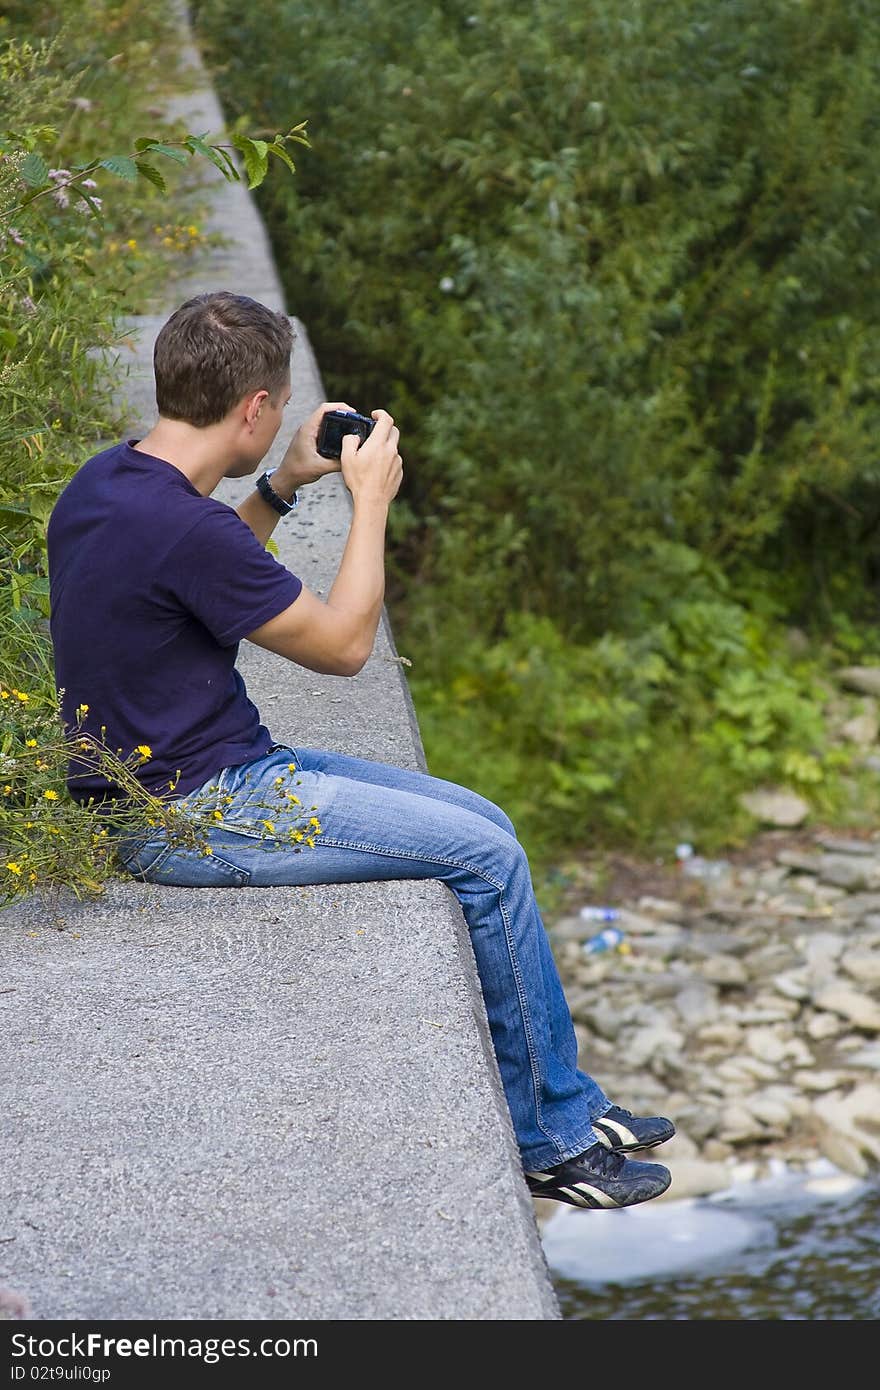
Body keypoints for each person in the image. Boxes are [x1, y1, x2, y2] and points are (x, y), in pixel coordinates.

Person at [47, 291, 675, 1210]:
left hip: (196, 779)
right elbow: (344, 647)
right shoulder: (185, 527)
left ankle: (565, 1100)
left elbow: (204, 574)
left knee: (485, 820)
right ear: (257, 408)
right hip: (195, 816)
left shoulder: (109, 485)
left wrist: (282, 486)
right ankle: (551, 1145)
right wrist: (367, 501)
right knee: (490, 859)